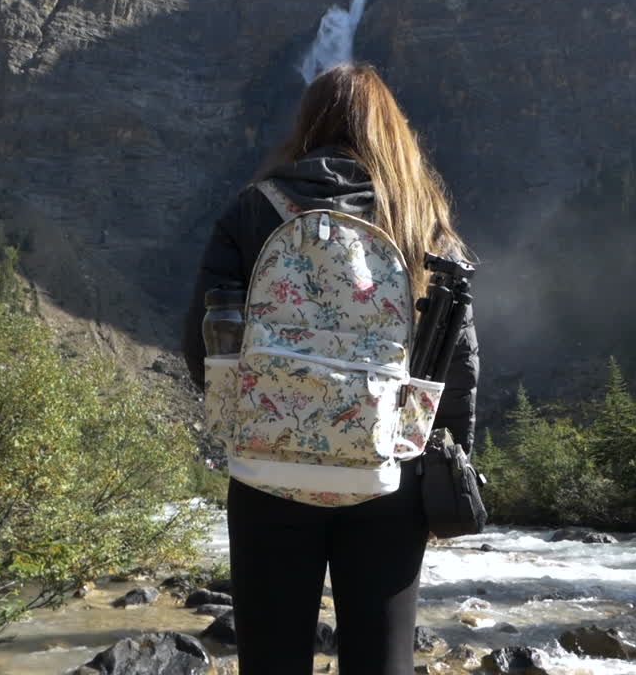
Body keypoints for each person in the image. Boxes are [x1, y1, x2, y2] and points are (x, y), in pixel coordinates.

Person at [182, 62, 479, 674]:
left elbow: (202, 342)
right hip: (387, 471)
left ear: (308, 125)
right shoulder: (420, 220)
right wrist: (447, 470)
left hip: (268, 470)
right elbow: (457, 359)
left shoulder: (251, 211)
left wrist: (254, 415)